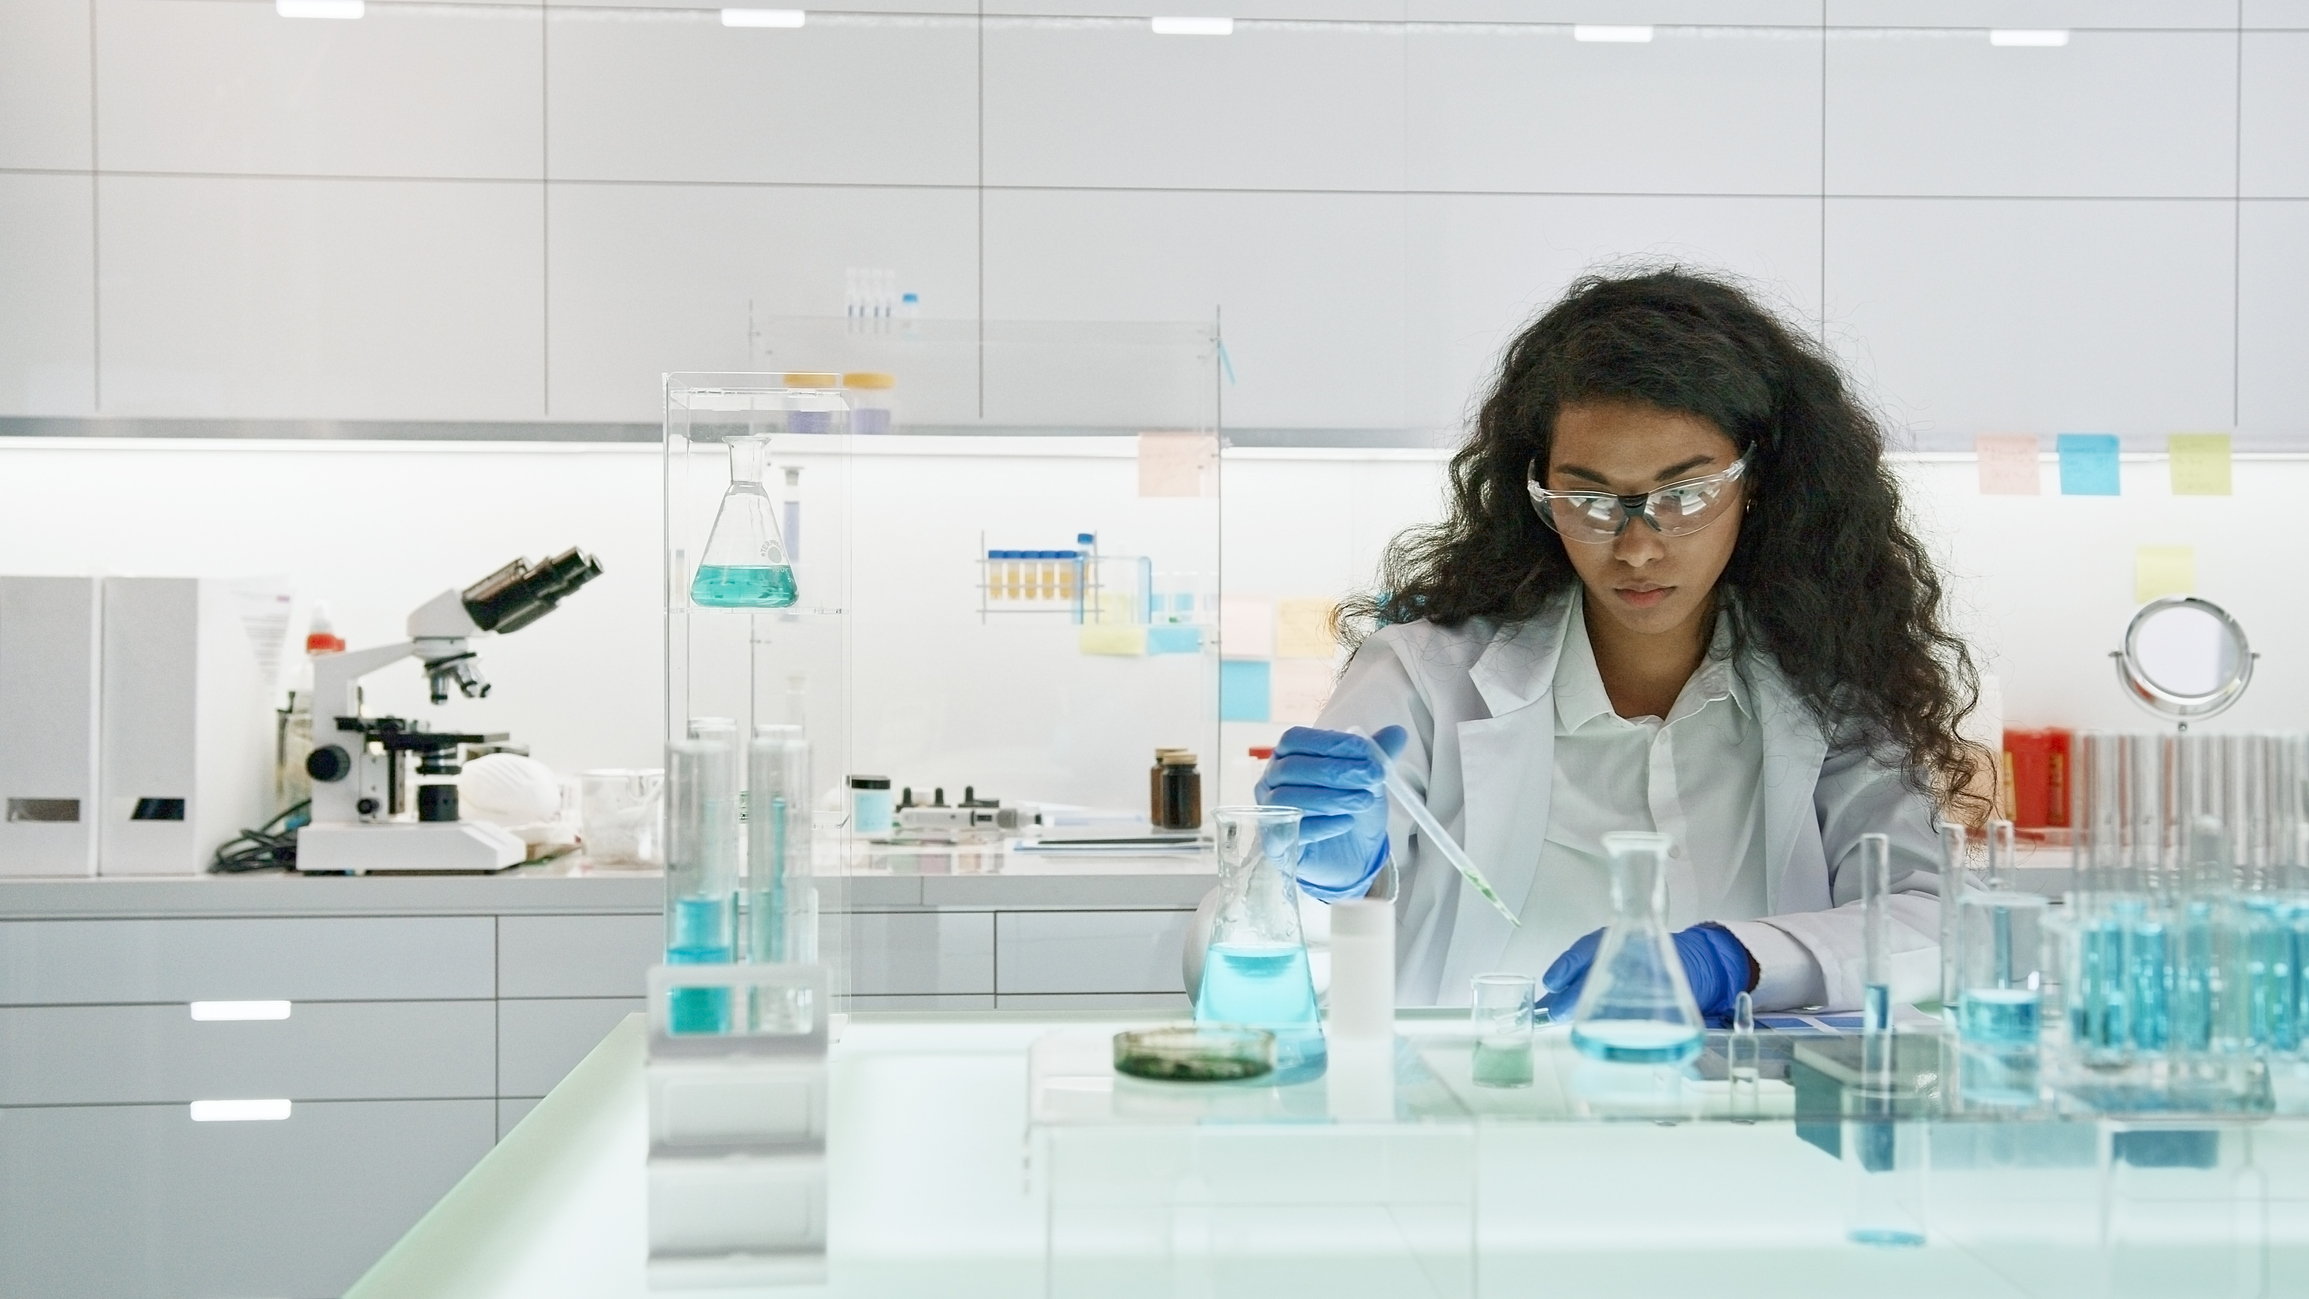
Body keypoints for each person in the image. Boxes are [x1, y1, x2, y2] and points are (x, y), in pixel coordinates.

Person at [1256, 268, 1986, 1016]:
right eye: (1588, 498)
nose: (1636, 547)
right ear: (1535, 492)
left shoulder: (1829, 687)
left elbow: (1935, 924)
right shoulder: (1422, 675)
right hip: (1482, 1112)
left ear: (1756, 480)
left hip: (1748, 1117)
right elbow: (1260, 932)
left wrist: (1731, 959)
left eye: (1684, 494)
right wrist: (1331, 872)